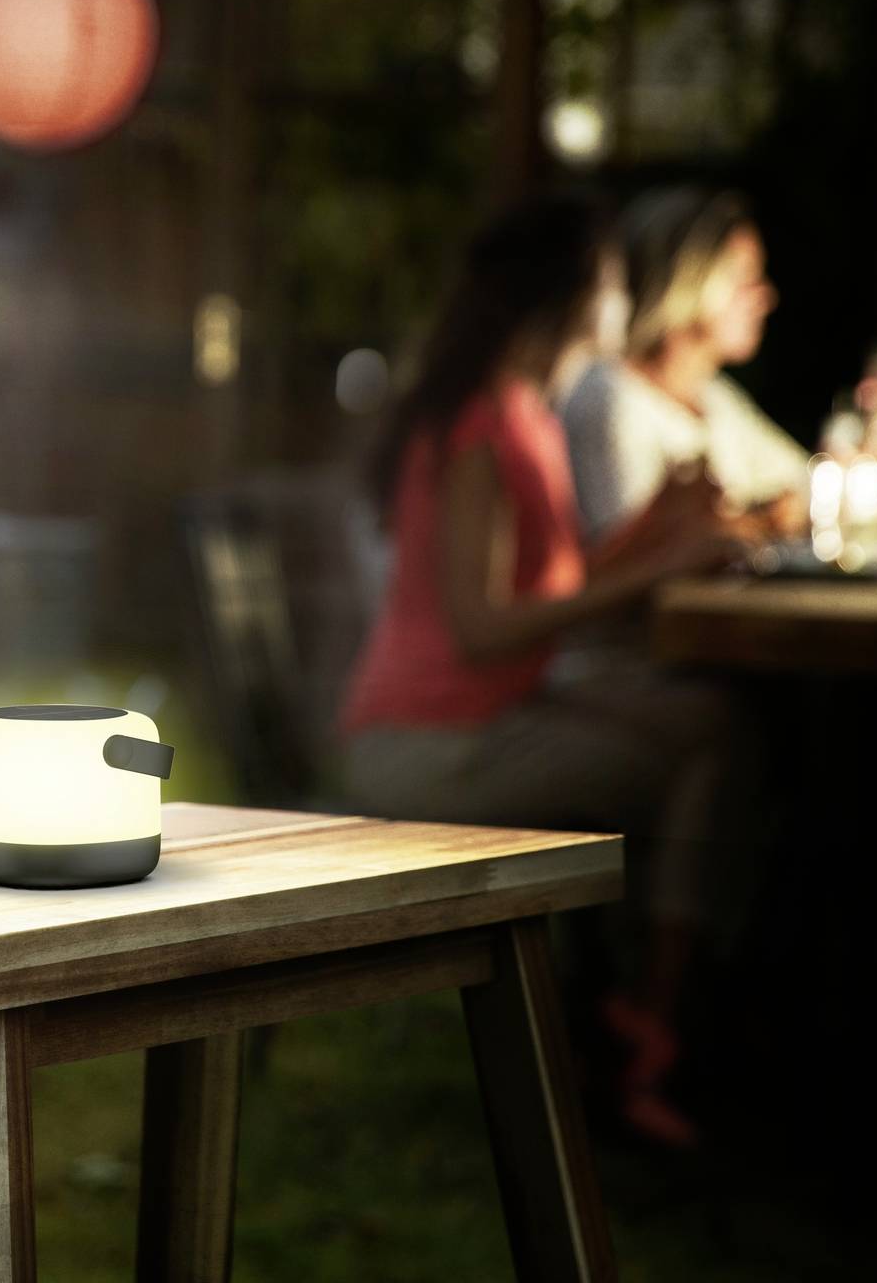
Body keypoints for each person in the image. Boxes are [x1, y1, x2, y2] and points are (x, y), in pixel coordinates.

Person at [333, 193, 746, 1146]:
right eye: (609, 283)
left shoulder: (520, 412)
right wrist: (662, 566)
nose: (622, 302)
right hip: (430, 749)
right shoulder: (484, 424)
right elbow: (484, 630)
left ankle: (631, 1005)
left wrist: (663, 528)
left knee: (708, 727)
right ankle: (649, 1021)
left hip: (474, 723)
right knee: (711, 741)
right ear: (565, 299)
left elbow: (554, 581)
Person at [564, 187, 877, 544]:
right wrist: (757, 522)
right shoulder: (608, 399)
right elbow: (629, 551)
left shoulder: (713, 398)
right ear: (686, 279)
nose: (766, 296)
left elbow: (810, 489)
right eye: (745, 279)